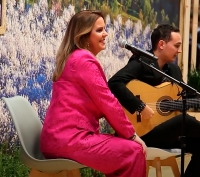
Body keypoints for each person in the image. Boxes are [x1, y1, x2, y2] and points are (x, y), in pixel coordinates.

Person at [40, 10, 146, 177]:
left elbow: (100, 104)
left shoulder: (73, 58)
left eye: (104, 28)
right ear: (83, 35)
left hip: (57, 140)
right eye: (99, 30)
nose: (105, 34)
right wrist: (131, 135)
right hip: (69, 140)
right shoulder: (84, 60)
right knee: (134, 150)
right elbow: (107, 102)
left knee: (124, 148)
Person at [108, 24, 200, 177]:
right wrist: (140, 106)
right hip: (142, 133)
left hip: (166, 133)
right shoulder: (141, 63)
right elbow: (114, 83)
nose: (180, 50)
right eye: (177, 45)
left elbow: (185, 97)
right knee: (186, 121)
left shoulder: (174, 71)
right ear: (162, 44)